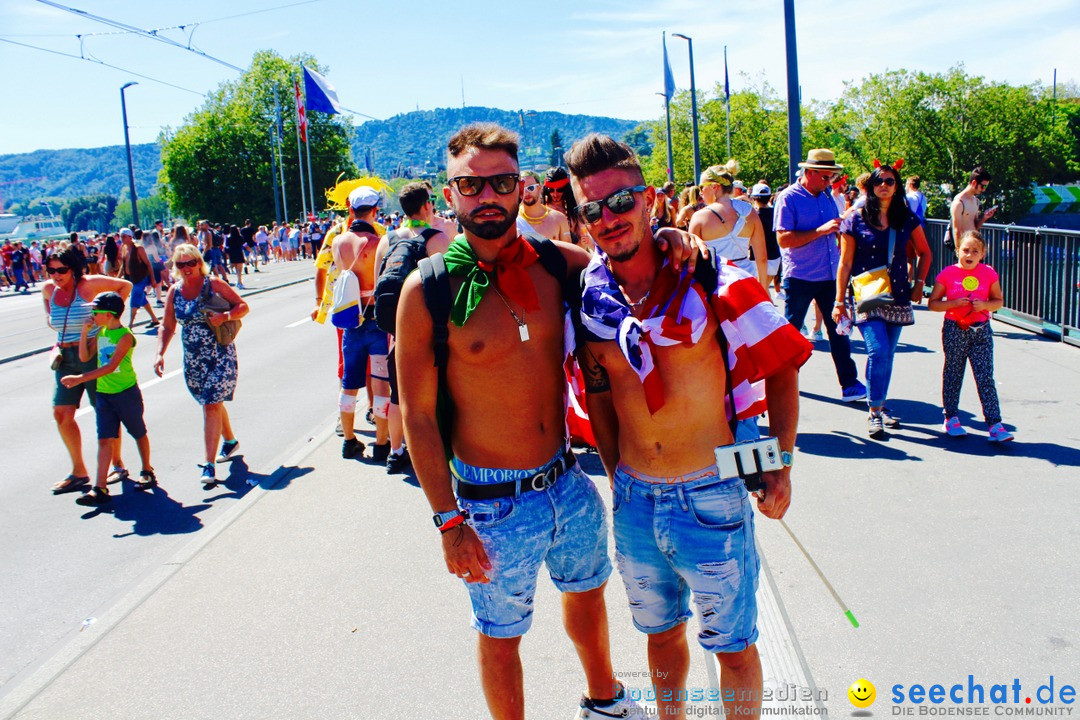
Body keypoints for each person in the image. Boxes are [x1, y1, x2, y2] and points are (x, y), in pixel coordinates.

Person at [396, 123, 701, 720]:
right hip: (490, 503)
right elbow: (419, 416)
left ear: (521, 187)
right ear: (450, 193)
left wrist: (670, 235)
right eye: (470, 185)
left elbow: (628, 267)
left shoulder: (562, 265)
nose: (488, 196)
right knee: (500, 631)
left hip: (567, 481)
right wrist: (447, 522)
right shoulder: (427, 290)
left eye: (501, 182)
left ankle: (604, 699)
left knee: (589, 595)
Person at [568, 133, 810, 720]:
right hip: (634, 501)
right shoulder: (590, 299)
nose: (609, 219)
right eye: (592, 209)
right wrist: (615, 471)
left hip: (712, 492)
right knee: (659, 636)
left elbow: (781, 361)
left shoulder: (710, 278)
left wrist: (778, 463)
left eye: (621, 201)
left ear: (648, 200)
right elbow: (598, 391)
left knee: (733, 647)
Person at [833, 163, 932, 438]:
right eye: (879, 181)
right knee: (877, 351)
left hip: (898, 294)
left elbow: (925, 252)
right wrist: (839, 301)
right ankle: (875, 411)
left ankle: (881, 403)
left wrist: (919, 285)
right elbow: (845, 262)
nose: (884, 185)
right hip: (867, 296)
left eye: (890, 181)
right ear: (872, 186)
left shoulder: (906, 218)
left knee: (886, 354)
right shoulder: (855, 219)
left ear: (897, 186)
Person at [775, 148, 866, 402]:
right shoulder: (788, 198)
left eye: (831, 178)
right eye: (825, 177)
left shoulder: (826, 195)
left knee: (839, 329)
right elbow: (783, 239)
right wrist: (820, 230)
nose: (830, 182)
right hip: (801, 276)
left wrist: (842, 225)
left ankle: (849, 383)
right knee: (791, 334)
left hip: (830, 275)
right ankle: (782, 383)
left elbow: (833, 229)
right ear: (809, 172)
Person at [373, 182, 452, 473]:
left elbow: (376, 287)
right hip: (431, 331)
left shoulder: (388, 239)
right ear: (427, 206)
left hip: (396, 333)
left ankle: (395, 452)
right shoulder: (436, 239)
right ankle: (438, 452)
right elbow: (451, 288)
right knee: (436, 391)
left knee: (398, 393)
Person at [42, 242, 132, 494]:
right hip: (65, 355)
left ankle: (117, 464)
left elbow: (124, 286)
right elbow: (51, 320)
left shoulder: (89, 285)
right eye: (51, 270)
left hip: (92, 354)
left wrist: (108, 321)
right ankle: (79, 471)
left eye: (61, 270)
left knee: (104, 409)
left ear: (74, 269)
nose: (56, 275)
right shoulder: (48, 290)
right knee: (61, 413)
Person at [154, 243, 248, 484]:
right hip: (194, 360)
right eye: (181, 264)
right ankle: (230, 441)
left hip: (220, 354)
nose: (187, 268)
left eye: (191, 262)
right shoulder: (175, 291)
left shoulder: (213, 284)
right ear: (175, 267)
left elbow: (243, 306)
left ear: (199, 262)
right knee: (211, 403)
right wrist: (159, 353)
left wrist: (225, 316)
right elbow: (167, 325)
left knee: (210, 404)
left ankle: (208, 464)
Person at [60, 292, 156, 506]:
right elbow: (85, 357)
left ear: (110, 314)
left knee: (138, 432)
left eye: (97, 311)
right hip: (104, 394)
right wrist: (85, 332)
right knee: (104, 439)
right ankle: (99, 488)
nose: (93, 314)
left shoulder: (125, 335)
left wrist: (80, 379)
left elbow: (111, 366)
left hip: (125, 392)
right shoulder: (101, 332)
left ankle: (147, 470)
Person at [927, 231, 1013, 442]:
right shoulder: (948, 273)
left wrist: (984, 305)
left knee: (985, 376)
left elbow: (998, 300)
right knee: (954, 373)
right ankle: (951, 417)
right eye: (966, 250)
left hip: (981, 329)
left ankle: (995, 424)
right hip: (955, 329)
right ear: (957, 251)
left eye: (975, 251)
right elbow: (933, 304)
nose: (970, 254)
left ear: (983, 253)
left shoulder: (988, 273)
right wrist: (953, 304)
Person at [333, 186, 391, 461]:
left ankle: (349, 440)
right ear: (375, 210)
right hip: (377, 320)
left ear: (351, 210)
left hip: (352, 321)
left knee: (349, 384)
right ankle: (382, 444)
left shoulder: (338, 242)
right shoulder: (380, 242)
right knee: (381, 383)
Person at [690, 163, 768, 288]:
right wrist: (763, 287)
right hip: (748, 280)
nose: (700, 192)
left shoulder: (699, 217)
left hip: (718, 286)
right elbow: (762, 257)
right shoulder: (750, 211)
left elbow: (692, 260)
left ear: (714, 187)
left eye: (701, 187)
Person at [119, 228, 160, 329]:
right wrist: (118, 277)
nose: (122, 239)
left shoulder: (138, 248)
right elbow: (123, 264)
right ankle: (154, 319)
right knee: (142, 299)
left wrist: (153, 279)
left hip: (140, 277)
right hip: (130, 278)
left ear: (130, 237)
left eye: (124, 236)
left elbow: (148, 264)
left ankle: (130, 325)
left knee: (134, 299)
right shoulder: (124, 247)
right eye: (121, 236)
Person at [516, 170, 571, 243]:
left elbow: (568, 253)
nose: (526, 192)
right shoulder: (513, 222)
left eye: (531, 188)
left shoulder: (559, 219)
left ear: (539, 188)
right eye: (522, 189)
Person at [749, 183, 782, 294]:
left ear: (754, 198)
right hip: (774, 256)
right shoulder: (776, 212)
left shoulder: (753, 215)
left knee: (760, 291)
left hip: (756, 258)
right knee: (764, 289)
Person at [950, 166, 996, 239]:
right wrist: (959, 249)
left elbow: (975, 227)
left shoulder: (975, 201)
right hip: (964, 247)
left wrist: (984, 217)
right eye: (983, 186)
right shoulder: (959, 202)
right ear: (974, 183)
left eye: (986, 187)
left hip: (974, 243)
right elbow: (956, 231)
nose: (984, 190)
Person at [225, 225, 248, 289]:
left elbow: (226, 247)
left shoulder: (228, 237)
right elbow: (245, 245)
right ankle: (239, 282)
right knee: (239, 269)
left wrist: (227, 255)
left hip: (232, 254)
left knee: (236, 268)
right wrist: (251, 251)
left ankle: (239, 281)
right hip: (239, 253)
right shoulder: (240, 237)